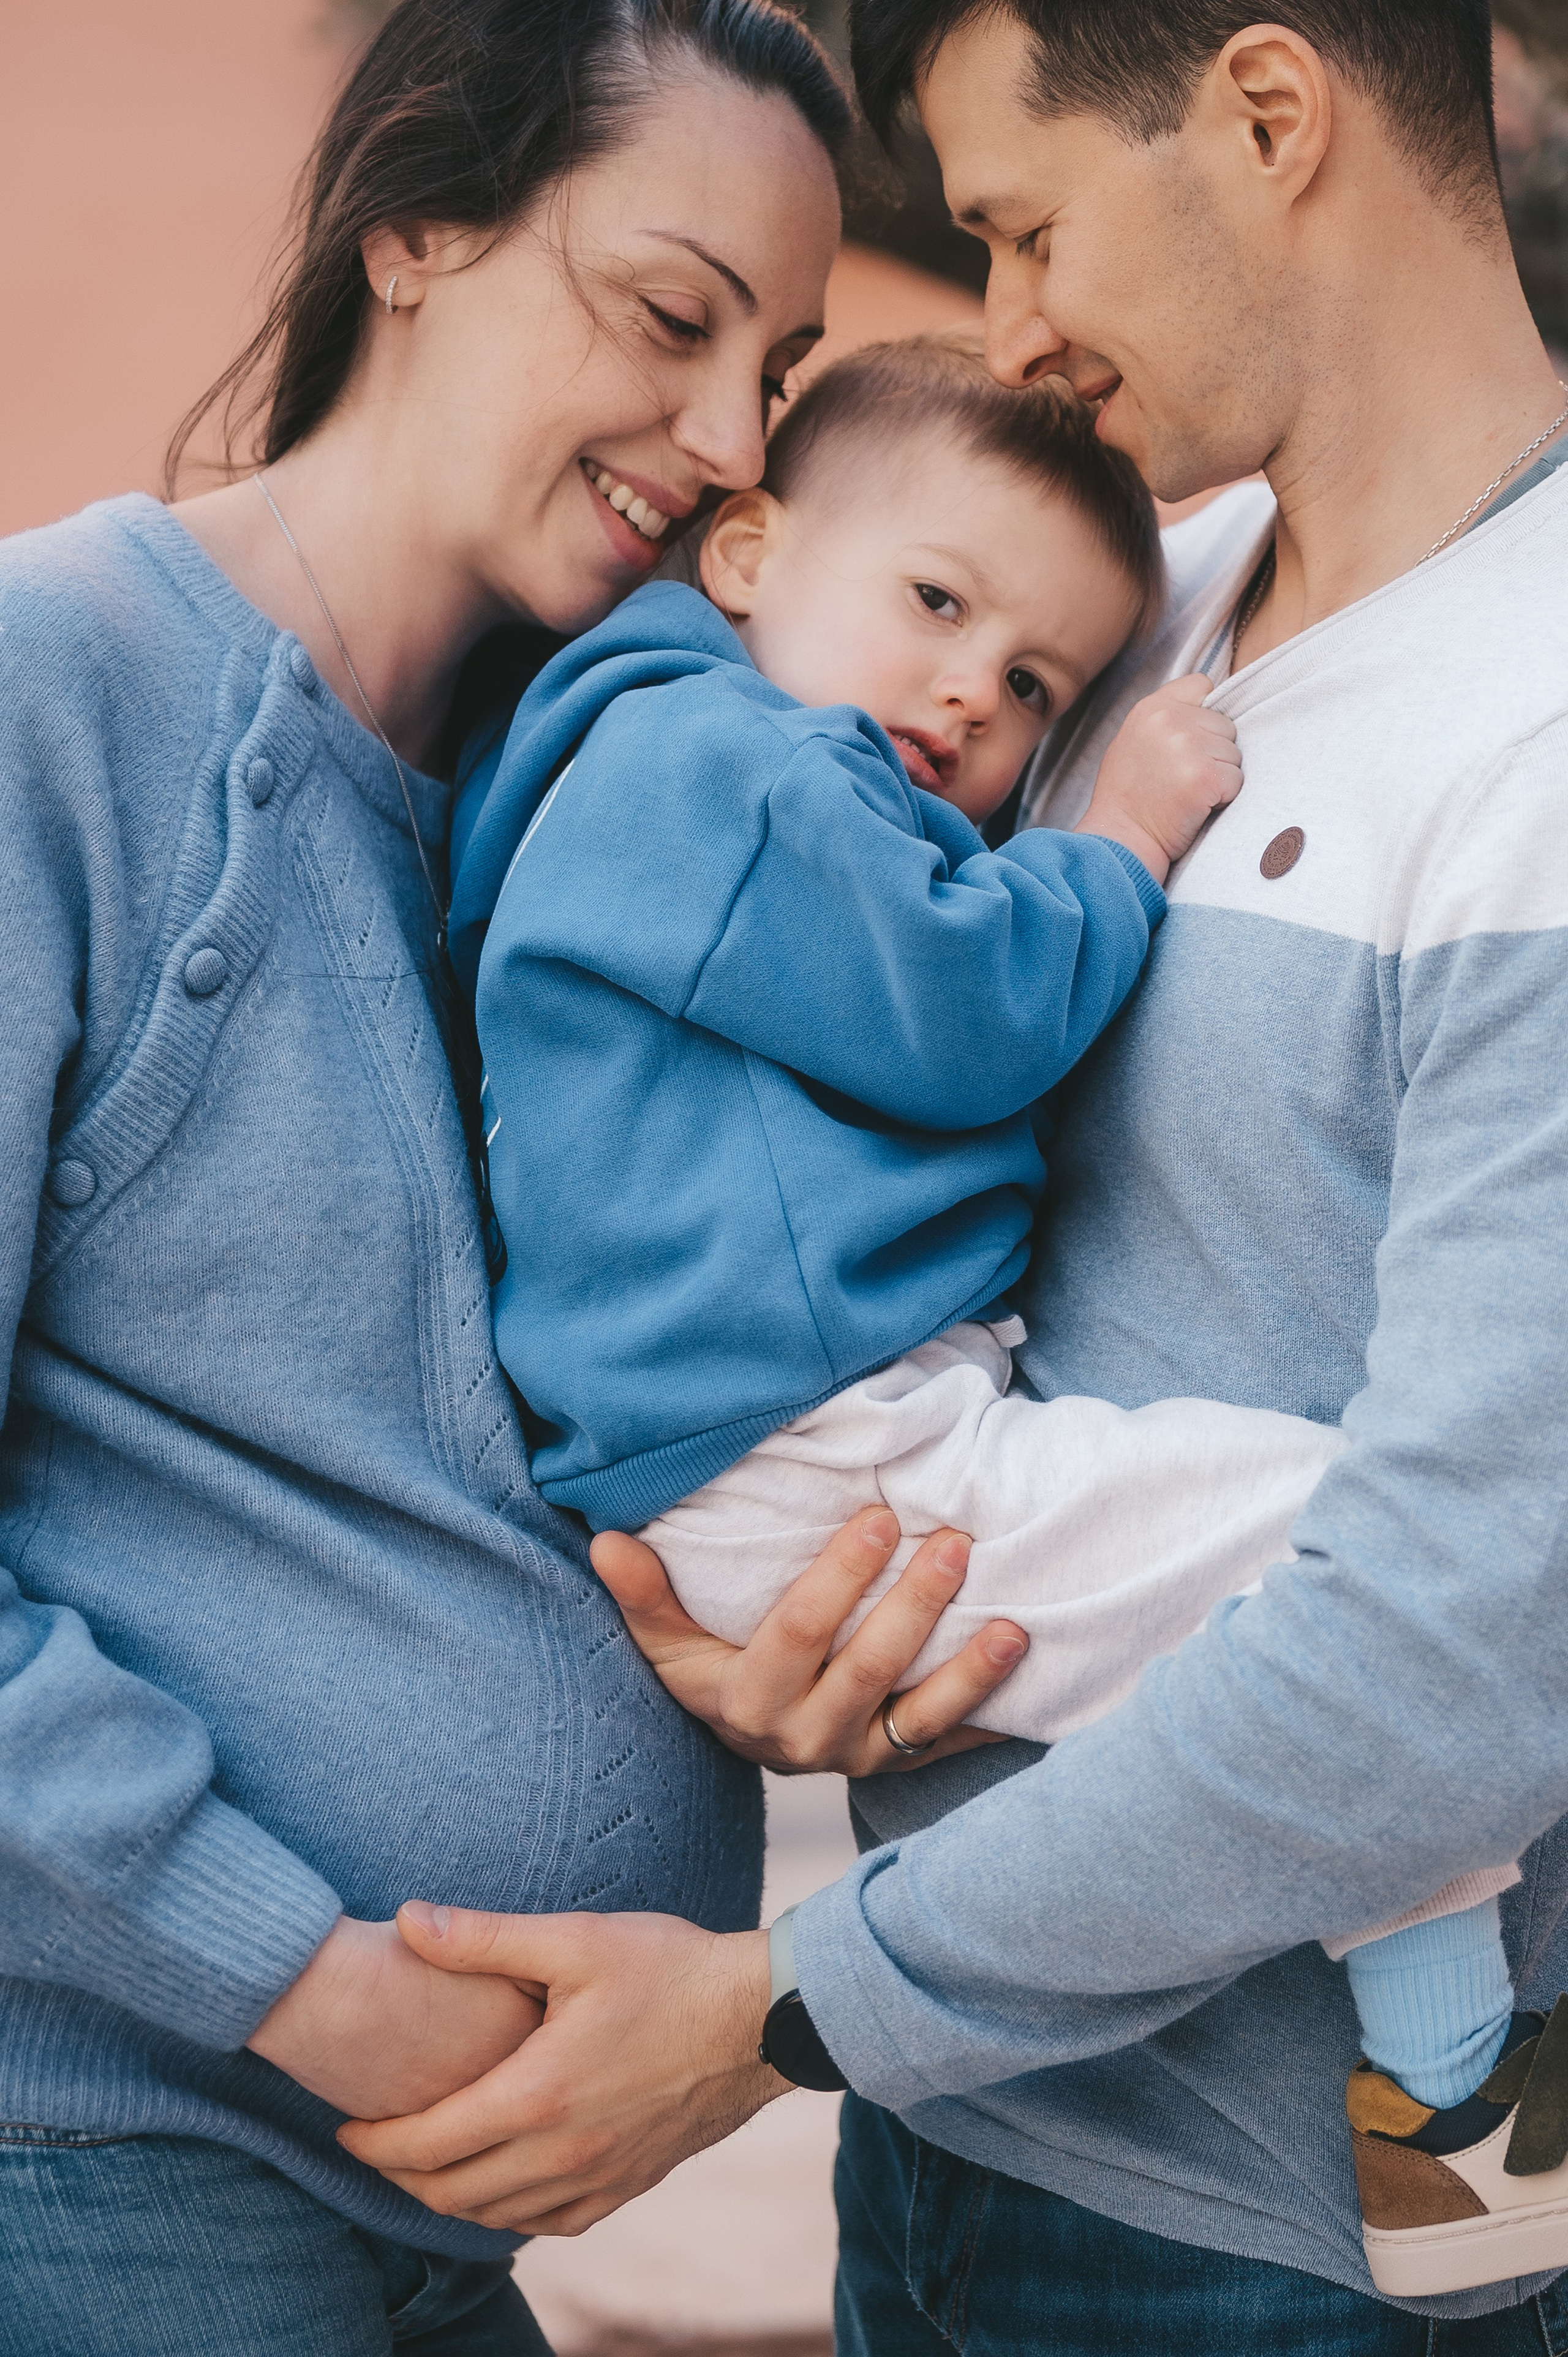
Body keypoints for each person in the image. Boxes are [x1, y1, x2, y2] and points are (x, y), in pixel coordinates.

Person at [336, 1, 1568, 2347]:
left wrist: (788, 2006)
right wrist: (824, 1672)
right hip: (952, 2149)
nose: (1001, 330)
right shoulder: (1127, 598)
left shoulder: (1531, 728)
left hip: (1269, 2249)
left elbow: (1465, 1636)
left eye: (1019, 226)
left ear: (1270, 113)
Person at [0, 7, 1034, 2353]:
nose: (721, 437)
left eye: (775, 371)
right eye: (673, 318)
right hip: (108, 2150)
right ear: (417, 225)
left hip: (428, 2214)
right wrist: (305, 1984)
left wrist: (739, 1649)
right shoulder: (51, 698)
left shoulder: (598, 788)